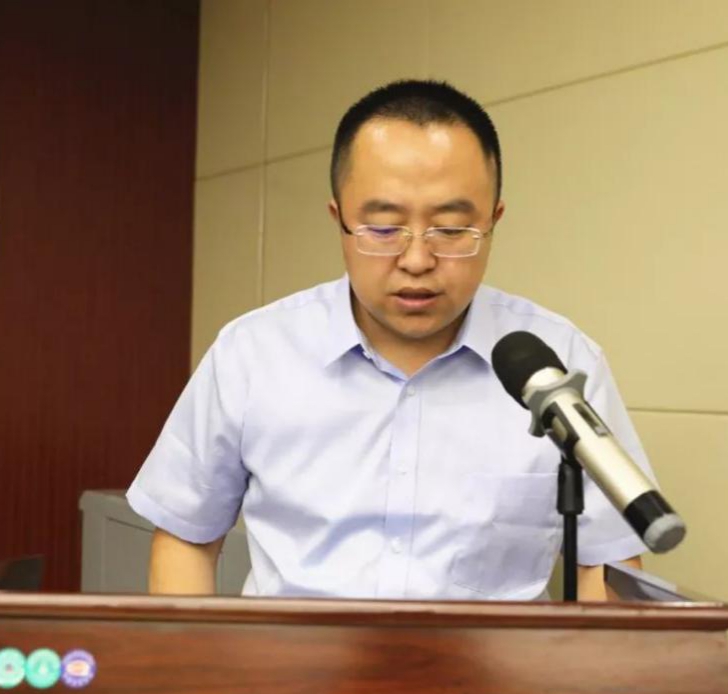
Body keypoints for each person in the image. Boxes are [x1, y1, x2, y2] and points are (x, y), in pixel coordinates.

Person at [127, 79, 655, 601]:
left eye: (452, 230)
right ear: (339, 219)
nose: (417, 260)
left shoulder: (561, 363)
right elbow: (186, 538)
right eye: (382, 229)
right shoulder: (253, 353)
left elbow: (605, 566)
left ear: (493, 221)